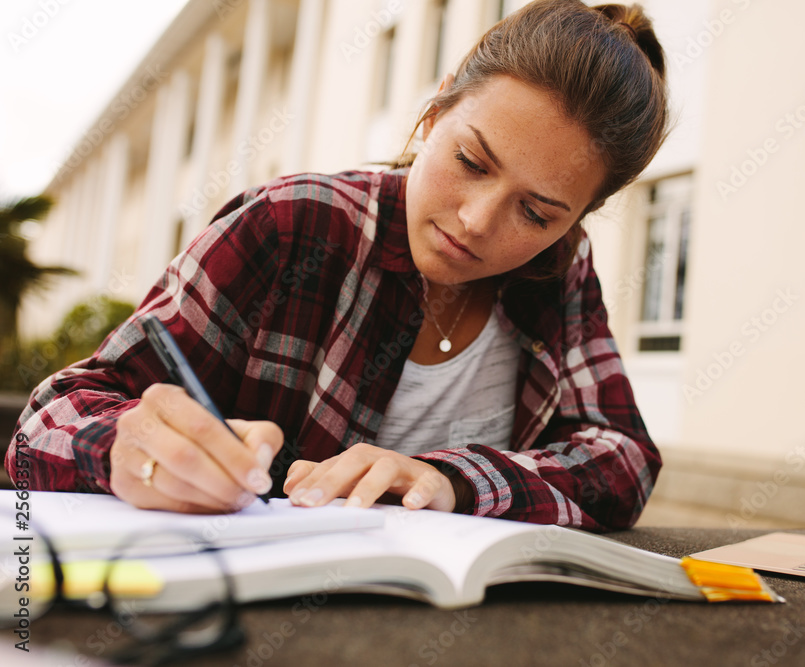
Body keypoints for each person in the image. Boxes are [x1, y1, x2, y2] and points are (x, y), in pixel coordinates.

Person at [6, 0, 669, 532]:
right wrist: (129, 448)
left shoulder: (556, 272)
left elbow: (622, 458)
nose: (475, 220)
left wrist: (450, 478)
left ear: (577, 218)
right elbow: (46, 420)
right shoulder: (293, 222)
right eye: (471, 161)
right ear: (435, 110)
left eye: (537, 211)